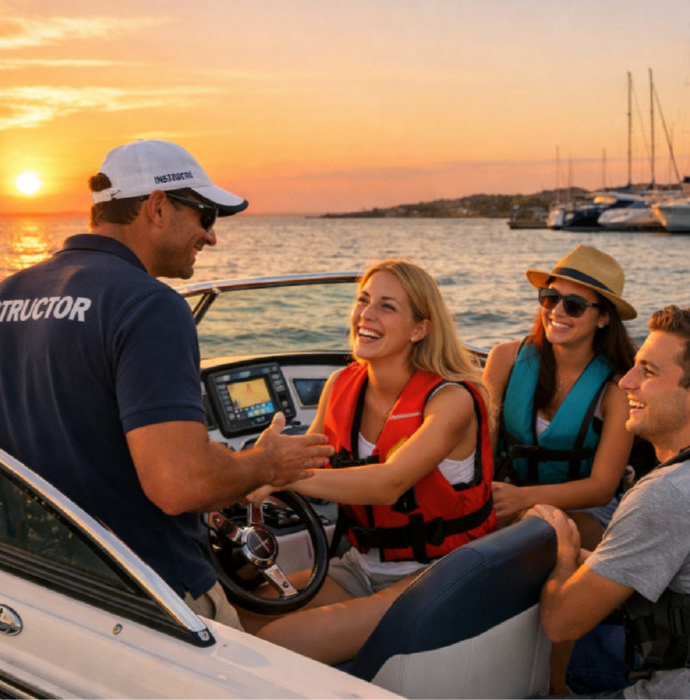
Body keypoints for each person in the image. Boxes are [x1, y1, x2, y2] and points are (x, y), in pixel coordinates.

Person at [0, 139, 332, 630]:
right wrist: (266, 463)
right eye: (205, 216)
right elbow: (180, 484)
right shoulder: (150, 305)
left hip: (32, 584)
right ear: (156, 207)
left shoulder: (3, 297)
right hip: (147, 594)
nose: (211, 236)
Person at [243, 259, 496, 664]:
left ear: (420, 329)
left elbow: (388, 483)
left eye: (387, 306)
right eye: (363, 300)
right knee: (239, 616)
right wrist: (255, 469)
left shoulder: (451, 400)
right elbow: (312, 466)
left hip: (439, 574)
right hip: (360, 566)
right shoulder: (340, 385)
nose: (367, 314)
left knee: (276, 643)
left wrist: (278, 473)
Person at [532, 304, 690, 698]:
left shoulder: (664, 494)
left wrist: (564, 553)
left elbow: (561, 623)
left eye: (648, 372)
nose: (625, 383)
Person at [483, 244, 637, 549]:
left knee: (550, 532)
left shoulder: (616, 388)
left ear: (603, 318)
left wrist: (524, 499)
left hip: (586, 510)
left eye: (574, 305)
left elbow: (602, 488)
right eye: (550, 297)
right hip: (510, 492)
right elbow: (482, 450)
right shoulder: (504, 360)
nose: (557, 311)